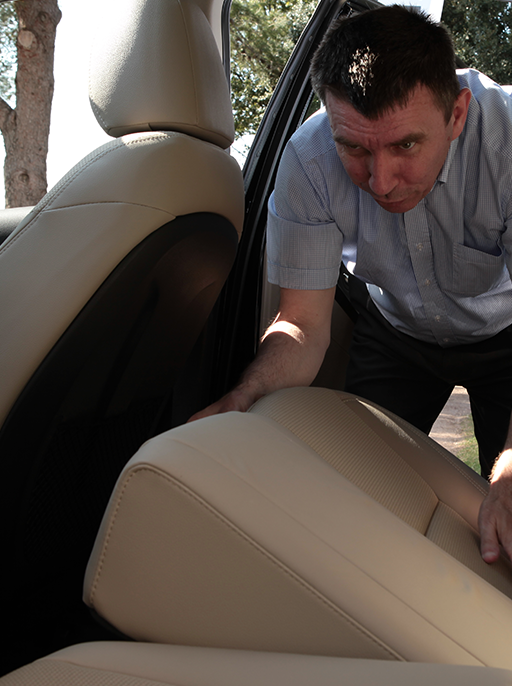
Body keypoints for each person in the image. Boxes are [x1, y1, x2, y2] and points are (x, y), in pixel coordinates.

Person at [191, 6, 512, 563]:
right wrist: (248, 393)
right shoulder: (308, 163)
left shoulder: (507, 145)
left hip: (506, 334)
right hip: (394, 335)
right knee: (353, 500)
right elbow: (302, 324)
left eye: (405, 145)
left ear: (457, 113)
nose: (380, 182)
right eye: (355, 148)